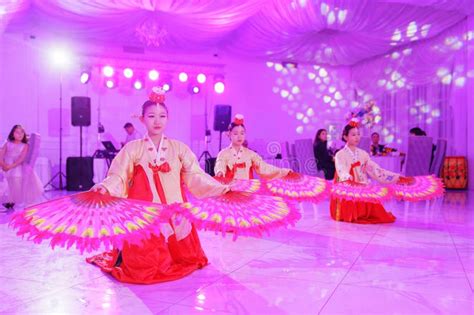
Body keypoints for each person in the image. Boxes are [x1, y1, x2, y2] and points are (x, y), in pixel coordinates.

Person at [87, 87, 230, 284]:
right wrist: (105, 187)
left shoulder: (179, 148)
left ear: (167, 119)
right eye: (151, 116)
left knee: (187, 257)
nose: (157, 121)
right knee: (143, 266)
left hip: (174, 209)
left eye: (162, 116)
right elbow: (118, 175)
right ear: (142, 119)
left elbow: (196, 176)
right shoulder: (132, 149)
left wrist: (221, 189)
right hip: (145, 213)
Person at [330, 122, 412, 224]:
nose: (357, 137)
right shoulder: (340, 154)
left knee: (378, 213)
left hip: (362, 185)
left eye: (358, 134)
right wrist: (351, 181)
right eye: (353, 135)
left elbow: (375, 170)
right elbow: (342, 171)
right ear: (345, 137)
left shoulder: (363, 154)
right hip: (347, 186)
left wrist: (396, 177)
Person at [214, 114, 291, 180]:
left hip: (247, 191)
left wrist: (283, 172)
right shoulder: (223, 153)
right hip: (230, 190)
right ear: (229, 134)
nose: (239, 136)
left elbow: (264, 168)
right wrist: (220, 171)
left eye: (242, 133)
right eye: (235, 133)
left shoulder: (250, 154)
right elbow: (220, 164)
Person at [0, 125, 43, 210]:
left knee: (15, 175)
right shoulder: (7, 143)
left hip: (15, 165)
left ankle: (13, 200)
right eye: (17, 132)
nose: (20, 134)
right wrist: (3, 165)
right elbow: (1, 156)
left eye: (22, 132)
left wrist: (9, 167)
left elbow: (20, 159)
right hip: (4, 164)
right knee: (3, 177)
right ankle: (6, 201)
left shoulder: (25, 145)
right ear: (12, 134)